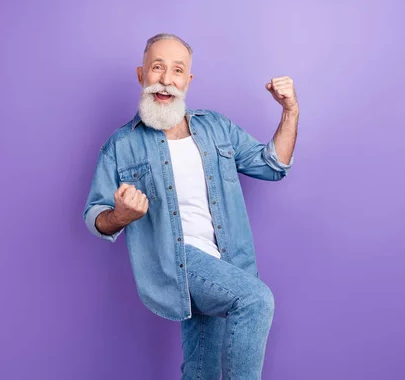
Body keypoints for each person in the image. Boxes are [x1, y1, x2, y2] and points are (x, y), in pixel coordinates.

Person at [83, 33, 299, 380]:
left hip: (225, 262)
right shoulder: (121, 145)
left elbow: (272, 165)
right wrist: (120, 216)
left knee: (202, 371)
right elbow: (94, 216)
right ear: (142, 75)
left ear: (188, 80)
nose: (166, 79)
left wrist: (290, 111)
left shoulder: (216, 128)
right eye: (157, 68)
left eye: (177, 70)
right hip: (174, 261)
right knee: (256, 300)